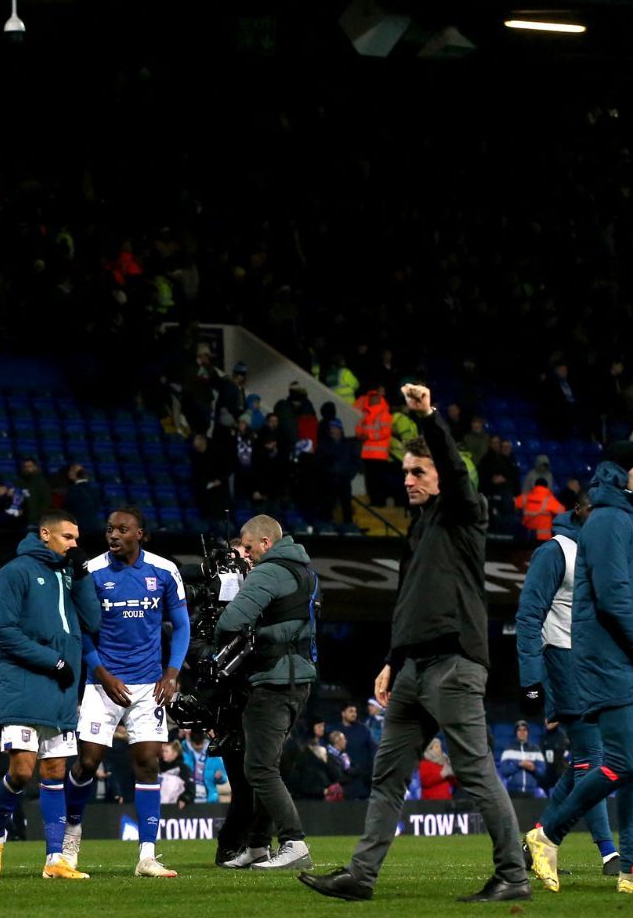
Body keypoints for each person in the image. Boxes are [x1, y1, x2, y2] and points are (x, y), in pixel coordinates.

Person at [300, 383, 529, 904]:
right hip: (413, 669)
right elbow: (410, 605)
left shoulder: (464, 516)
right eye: (404, 472)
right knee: (387, 778)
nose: (407, 479)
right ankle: (361, 876)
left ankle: (513, 875)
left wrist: (427, 418)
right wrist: (392, 660)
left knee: (475, 772)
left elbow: (451, 465)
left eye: (417, 472)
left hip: (453, 665)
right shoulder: (421, 530)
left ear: (444, 479)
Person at [527, 441, 633, 894]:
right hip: (614, 659)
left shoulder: (631, 520)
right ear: (619, 473)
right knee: (619, 763)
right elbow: (614, 600)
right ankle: (546, 834)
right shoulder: (606, 519)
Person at [63, 508, 189, 878]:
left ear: (141, 535)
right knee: (88, 761)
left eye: (122, 529)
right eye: (109, 529)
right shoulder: (92, 572)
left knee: (149, 762)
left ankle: (146, 855)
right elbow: (82, 631)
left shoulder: (164, 571)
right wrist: (101, 673)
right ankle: (71, 837)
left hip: (149, 684)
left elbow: (181, 625)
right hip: (102, 684)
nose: (113, 535)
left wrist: (172, 673)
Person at [0, 511, 100, 880]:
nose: (74, 544)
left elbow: (93, 621)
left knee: (55, 771)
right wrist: (53, 660)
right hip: (25, 684)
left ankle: (54, 860)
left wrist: (81, 577)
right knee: (21, 770)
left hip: (61, 687)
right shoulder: (13, 573)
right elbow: (4, 632)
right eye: (68, 537)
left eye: (77, 537)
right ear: (45, 534)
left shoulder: (68, 574)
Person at [513, 497, 621, 875]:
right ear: (579, 510)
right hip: (564, 663)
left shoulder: (602, 552)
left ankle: (537, 838)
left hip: (595, 668)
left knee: (583, 762)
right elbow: (528, 617)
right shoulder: (555, 551)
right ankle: (609, 853)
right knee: (593, 760)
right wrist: (531, 682)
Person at [213, 514, 317, 872]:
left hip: (274, 680)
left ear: (265, 544)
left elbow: (230, 622)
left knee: (258, 768)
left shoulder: (268, 572)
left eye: (247, 546)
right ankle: (257, 846)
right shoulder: (304, 569)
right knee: (262, 766)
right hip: (296, 677)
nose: (244, 553)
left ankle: (294, 843)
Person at [498, 722, 546, 798]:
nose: (522, 732)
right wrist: (519, 764)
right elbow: (504, 770)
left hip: (531, 792)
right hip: (513, 792)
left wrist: (533, 768)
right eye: (519, 730)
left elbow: (542, 772)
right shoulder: (508, 749)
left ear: (528, 732)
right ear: (516, 733)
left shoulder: (536, 750)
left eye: (524, 730)